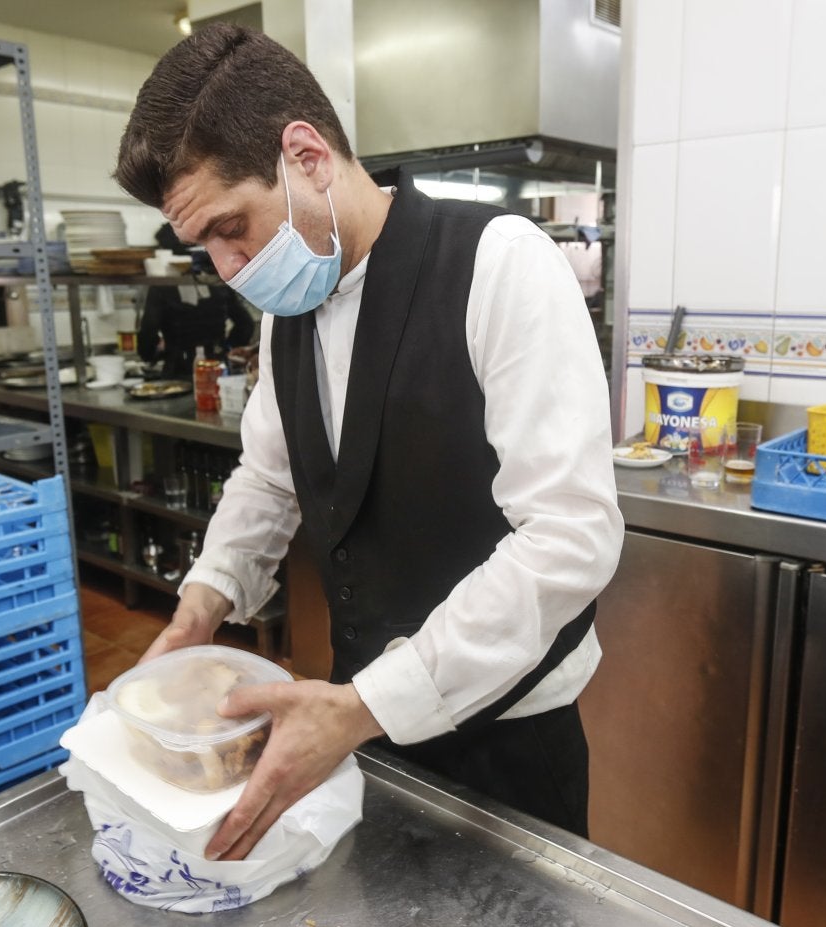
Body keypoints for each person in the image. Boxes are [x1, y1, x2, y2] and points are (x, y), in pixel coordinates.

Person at [114, 24, 623, 863]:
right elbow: (270, 476)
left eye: (232, 227)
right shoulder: (290, 315)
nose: (228, 268)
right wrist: (201, 604)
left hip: (508, 740)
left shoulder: (499, 264)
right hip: (350, 723)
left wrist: (365, 704)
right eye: (204, 245)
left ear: (307, 156)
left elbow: (571, 535)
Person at [138, 223, 254, 378]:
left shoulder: (163, 286)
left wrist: (153, 355)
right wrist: (227, 347)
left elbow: (148, 332)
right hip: (217, 366)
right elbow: (245, 324)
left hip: (178, 369)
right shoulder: (214, 282)